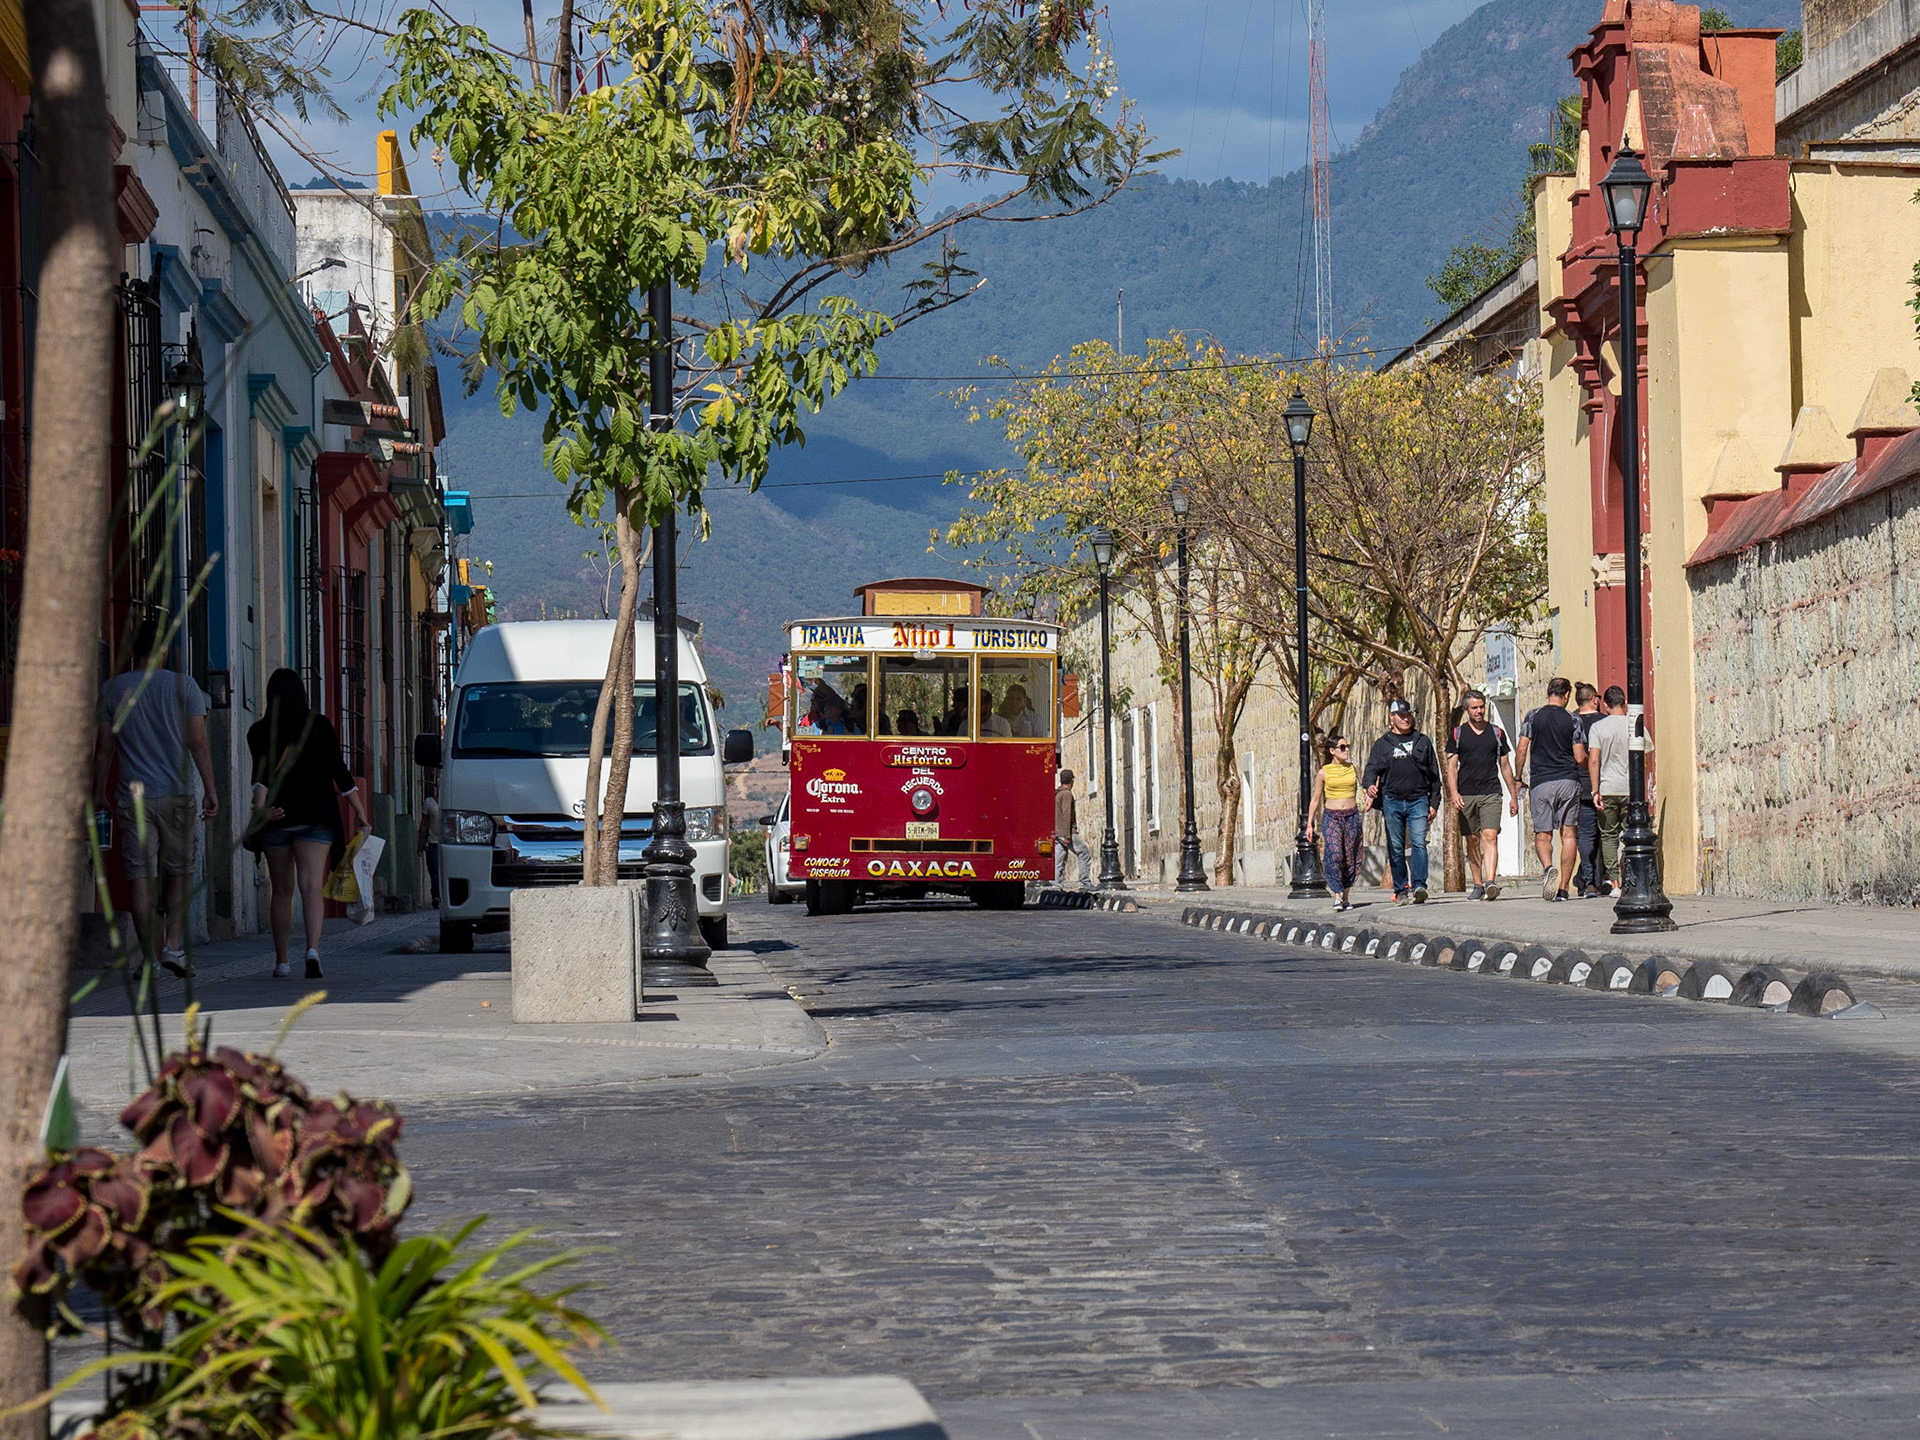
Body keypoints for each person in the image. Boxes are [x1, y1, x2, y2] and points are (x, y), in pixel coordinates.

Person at [93, 617, 218, 978]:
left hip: (133, 799)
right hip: (178, 795)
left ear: (133, 651)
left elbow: (105, 748)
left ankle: (148, 959)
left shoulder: (112, 689)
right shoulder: (185, 686)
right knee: (180, 872)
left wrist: (98, 792)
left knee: (140, 876)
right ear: (163, 650)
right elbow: (198, 742)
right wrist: (210, 789)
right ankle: (173, 948)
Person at [248, 668, 371, 979]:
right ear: (302, 694)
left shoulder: (258, 732)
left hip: (277, 819)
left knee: (282, 891)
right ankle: (312, 951)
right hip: (316, 817)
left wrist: (261, 812)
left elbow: (260, 779)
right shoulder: (321, 726)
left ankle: (281, 962)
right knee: (311, 887)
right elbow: (340, 773)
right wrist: (359, 812)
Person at [1361, 698, 1442, 906]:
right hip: (1392, 801)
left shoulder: (1422, 741)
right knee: (1396, 846)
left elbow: (1434, 774)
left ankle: (1419, 886)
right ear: (1392, 717)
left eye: (1408, 715)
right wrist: (1369, 785)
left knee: (1419, 843)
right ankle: (1401, 889)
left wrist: (1434, 802)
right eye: (1401, 716)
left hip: (1418, 800)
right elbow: (1371, 768)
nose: (1405, 719)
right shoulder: (1383, 744)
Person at [1513, 676, 1586, 902]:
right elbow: (1579, 756)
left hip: (1541, 782)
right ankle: (1563, 889)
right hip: (1568, 780)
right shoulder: (1574, 719)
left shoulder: (1533, 716)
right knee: (1569, 833)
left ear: (1548, 693)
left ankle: (1547, 868)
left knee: (1543, 834)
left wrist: (1518, 777)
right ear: (1566, 695)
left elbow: (1522, 748)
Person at [1445, 689, 1518, 901]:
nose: (1479, 711)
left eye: (1481, 707)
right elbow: (1451, 767)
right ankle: (1477, 884)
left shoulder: (1496, 733)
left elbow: (1505, 765)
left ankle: (1490, 882)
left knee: (1490, 835)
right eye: (1474, 708)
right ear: (1466, 710)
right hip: (1467, 794)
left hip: (1491, 792)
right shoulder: (1458, 734)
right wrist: (1454, 792)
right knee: (1472, 839)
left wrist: (1513, 795)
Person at [1586, 685, 1653, 885]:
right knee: (1631, 833)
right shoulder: (1635, 725)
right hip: (1631, 788)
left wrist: (1595, 790)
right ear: (1625, 703)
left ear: (1605, 705)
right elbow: (1645, 756)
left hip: (1607, 788)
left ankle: (1614, 880)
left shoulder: (1598, 727)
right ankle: (1632, 878)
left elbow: (1594, 760)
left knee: (1608, 836)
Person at [1307, 733, 1368, 911]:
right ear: (1332, 751)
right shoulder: (1323, 772)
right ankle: (1337, 895)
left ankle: (1346, 897)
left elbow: (1362, 789)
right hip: (1331, 817)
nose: (1346, 750)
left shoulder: (1354, 768)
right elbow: (1315, 799)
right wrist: (1309, 824)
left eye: (1347, 746)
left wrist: (1369, 797)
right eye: (1342, 747)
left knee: (1350, 856)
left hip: (1352, 816)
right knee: (1334, 854)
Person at [1571, 681, 1607, 897]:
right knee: (1606, 834)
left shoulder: (1571, 721)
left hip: (1578, 783)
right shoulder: (1604, 722)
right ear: (1594, 699)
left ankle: (1587, 880)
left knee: (1585, 834)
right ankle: (1602, 878)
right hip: (1604, 783)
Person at [1053, 768, 1093, 887]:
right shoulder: (1066, 794)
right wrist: (1067, 835)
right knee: (1084, 854)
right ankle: (1084, 881)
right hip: (1067, 831)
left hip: (1057, 831)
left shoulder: (1057, 794)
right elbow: (1067, 814)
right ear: (1072, 780)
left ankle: (1056, 882)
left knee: (1059, 857)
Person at [417, 774, 441, 909]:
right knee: (434, 869)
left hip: (448, 842)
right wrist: (421, 842)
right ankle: (436, 896)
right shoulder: (429, 802)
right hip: (433, 841)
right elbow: (424, 824)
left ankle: (442, 894)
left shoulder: (451, 801)